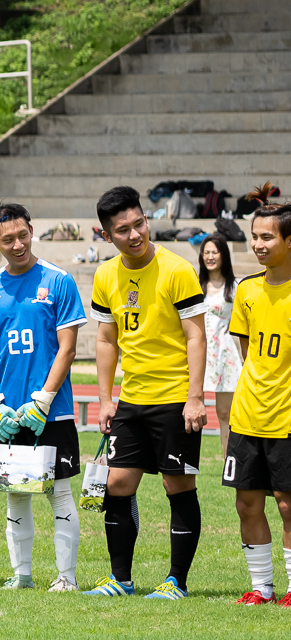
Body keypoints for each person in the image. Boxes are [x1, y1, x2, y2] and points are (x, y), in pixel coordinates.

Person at [87, 184, 209, 599]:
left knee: (178, 486)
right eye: (123, 229)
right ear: (107, 236)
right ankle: (119, 580)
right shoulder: (105, 275)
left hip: (174, 398)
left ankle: (177, 581)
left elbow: (196, 337)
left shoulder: (177, 270)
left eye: (140, 223)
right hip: (131, 400)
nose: (135, 233)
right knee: (117, 484)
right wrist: (106, 398)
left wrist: (195, 397)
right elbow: (106, 340)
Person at [0, 202, 87, 591]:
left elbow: (67, 348)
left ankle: (66, 578)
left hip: (50, 414)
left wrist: (43, 400)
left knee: (58, 492)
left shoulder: (58, 281)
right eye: (8, 239)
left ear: (32, 230)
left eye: (23, 235)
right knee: (15, 495)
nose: (18, 244)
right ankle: (22, 575)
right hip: (8, 413)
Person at [223, 187, 291, 605]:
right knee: (247, 504)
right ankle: (261, 587)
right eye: (255, 236)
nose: (258, 244)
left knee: (287, 505)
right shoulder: (247, 290)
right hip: (248, 416)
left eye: (267, 237)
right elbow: (248, 357)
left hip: (287, 418)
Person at [200, 233, 241, 466]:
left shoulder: (234, 287)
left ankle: (229, 460)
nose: (210, 256)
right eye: (206, 252)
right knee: (190, 408)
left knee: (225, 413)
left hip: (224, 355)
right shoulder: (196, 285)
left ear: (223, 255)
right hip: (199, 353)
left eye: (215, 252)